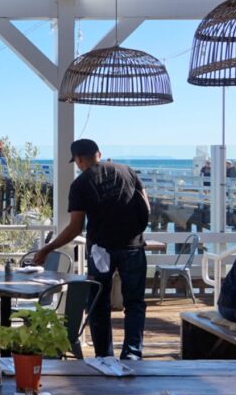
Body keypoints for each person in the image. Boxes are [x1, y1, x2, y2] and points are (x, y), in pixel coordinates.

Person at [33, 139, 150, 360]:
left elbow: (76, 227)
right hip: (133, 246)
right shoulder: (127, 170)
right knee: (135, 303)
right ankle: (132, 354)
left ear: (78, 159)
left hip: (101, 251)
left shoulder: (81, 184)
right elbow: (146, 206)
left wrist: (48, 248)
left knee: (98, 303)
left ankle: (104, 356)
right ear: (99, 153)